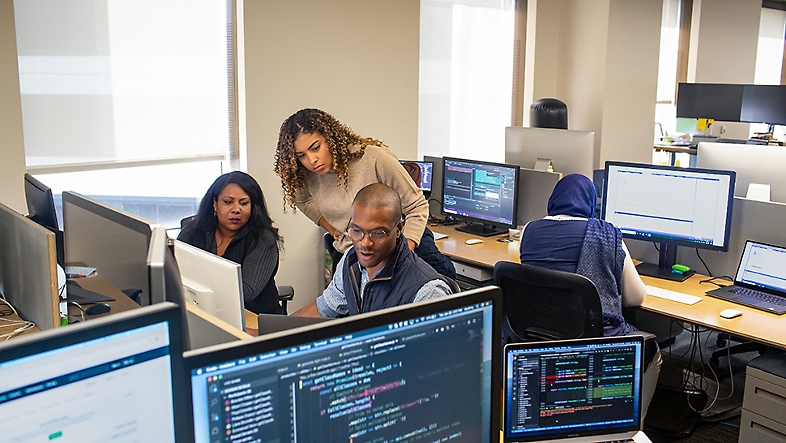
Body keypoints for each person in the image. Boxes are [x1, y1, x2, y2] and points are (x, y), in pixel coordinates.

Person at [518, 173, 660, 417]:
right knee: (652, 350)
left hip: (540, 338)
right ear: (591, 203)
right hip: (592, 344)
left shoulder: (528, 231)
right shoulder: (607, 235)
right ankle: (631, 425)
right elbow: (635, 299)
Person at [273, 108, 429, 257]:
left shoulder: (374, 159)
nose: (311, 160)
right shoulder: (306, 174)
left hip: (392, 252)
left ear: (330, 138)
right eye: (301, 155)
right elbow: (303, 201)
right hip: (349, 255)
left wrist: (403, 256)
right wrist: (331, 228)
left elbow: (417, 206)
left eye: (315, 148)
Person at [294, 184, 453, 318]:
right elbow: (325, 306)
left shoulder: (428, 293)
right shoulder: (351, 261)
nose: (365, 243)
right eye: (356, 231)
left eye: (378, 233)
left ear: (398, 229)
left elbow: (432, 352)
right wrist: (277, 336)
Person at [178, 171, 283, 314]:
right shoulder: (193, 231)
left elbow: (246, 292)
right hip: (204, 312)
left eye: (244, 203)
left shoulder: (263, 239)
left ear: (252, 207)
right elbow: (176, 274)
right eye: (228, 202)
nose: (236, 210)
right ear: (215, 204)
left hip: (256, 320)